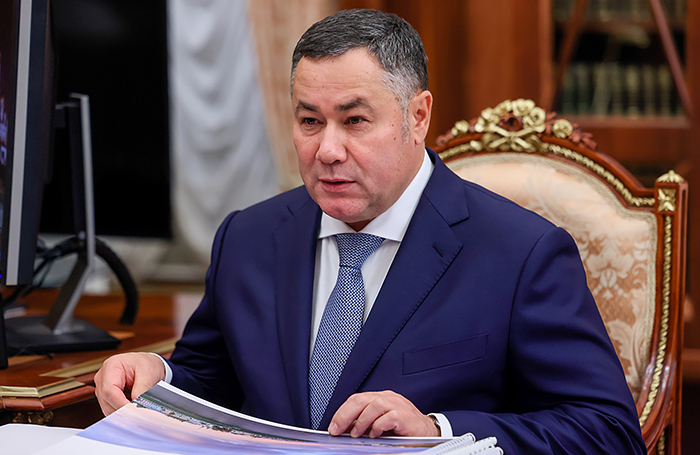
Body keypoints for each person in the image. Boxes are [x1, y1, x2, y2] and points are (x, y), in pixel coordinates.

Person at [95, 9, 646, 454]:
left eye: (355, 120)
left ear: (418, 116)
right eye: (310, 121)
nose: (327, 150)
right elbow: (211, 378)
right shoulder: (248, 237)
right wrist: (157, 376)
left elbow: (607, 432)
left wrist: (438, 431)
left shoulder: (520, 252)